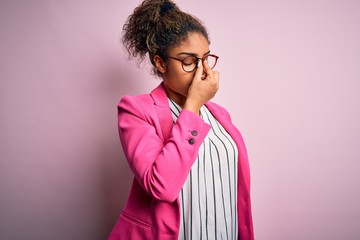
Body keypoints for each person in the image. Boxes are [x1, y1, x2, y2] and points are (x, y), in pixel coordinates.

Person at [108, 0, 254, 239]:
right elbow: (162, 187)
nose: (201, 71)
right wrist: (193, 105)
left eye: (205, 58)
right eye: (189, 61)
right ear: (160, 62)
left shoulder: (220, 115)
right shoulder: (135, 110)